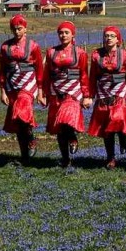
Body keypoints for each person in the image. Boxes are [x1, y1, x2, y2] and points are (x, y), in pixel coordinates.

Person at [42, 21, 92, 168]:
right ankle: (65, 159)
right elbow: (46, 75)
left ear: (72, 34)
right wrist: (44, 93)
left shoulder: (80, 53)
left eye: (66, 32)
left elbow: (84, 75)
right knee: (59, 129)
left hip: (73, 94)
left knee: (66, 120)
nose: (63, 35)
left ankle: (73, 138)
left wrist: (87, 95)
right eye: (61, 33)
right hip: (56, 93)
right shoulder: (51, 52)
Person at [87, 26, 126, 169]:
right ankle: (110, 158)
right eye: (106, 35)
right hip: (103, 93)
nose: (108, 38)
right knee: (107, 129)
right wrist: (90, 95)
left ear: (118, 39)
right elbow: (92, 77)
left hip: (120, 91)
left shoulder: (125, 55)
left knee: (118, 118)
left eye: (112, 36)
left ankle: (122, 135)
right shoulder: (96, 55)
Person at [0, 14, 45, 163]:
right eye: (14, 29)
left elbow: (39, 68)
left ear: (25, 29)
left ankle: (31, 138)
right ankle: (24, 155)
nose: (17, 32)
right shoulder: (5, 47)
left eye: (19, 28)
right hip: (12, 85)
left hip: (28, 83)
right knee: (17, 122)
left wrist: (40, 91)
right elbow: (2, 70)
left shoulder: (33, 46)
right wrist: (3, 90)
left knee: (22, 111)